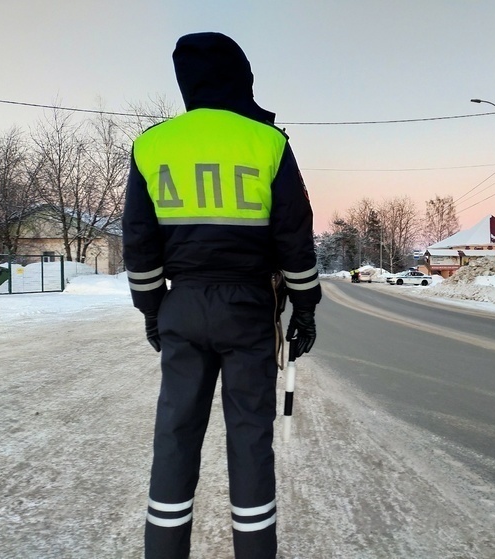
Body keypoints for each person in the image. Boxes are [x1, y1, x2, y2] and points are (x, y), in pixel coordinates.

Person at [122, 32, 321, 559]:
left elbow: (140, 243)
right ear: (242, 77)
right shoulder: (267, 142)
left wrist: (151, 310)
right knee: (250, 436)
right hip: (248, 310)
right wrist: (305, 307)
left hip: (182, 304)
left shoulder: (153, 145)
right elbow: (295, 237)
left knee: (176, 433)